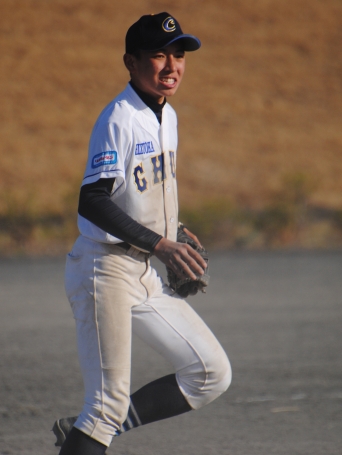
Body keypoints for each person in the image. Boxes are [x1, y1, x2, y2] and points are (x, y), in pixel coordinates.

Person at [53, 12, 232, 455]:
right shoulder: (119, 118)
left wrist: (175, 231)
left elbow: (139, 191)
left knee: (210, 372)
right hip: (104, 270)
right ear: (131, 63)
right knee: (105, 407)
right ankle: (92, 431)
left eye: (179, 54)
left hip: (142, 270)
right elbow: (93, 200)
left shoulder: (167, 115)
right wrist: (160, 244)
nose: (172, 66)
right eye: (158, 55)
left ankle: (85, 434)